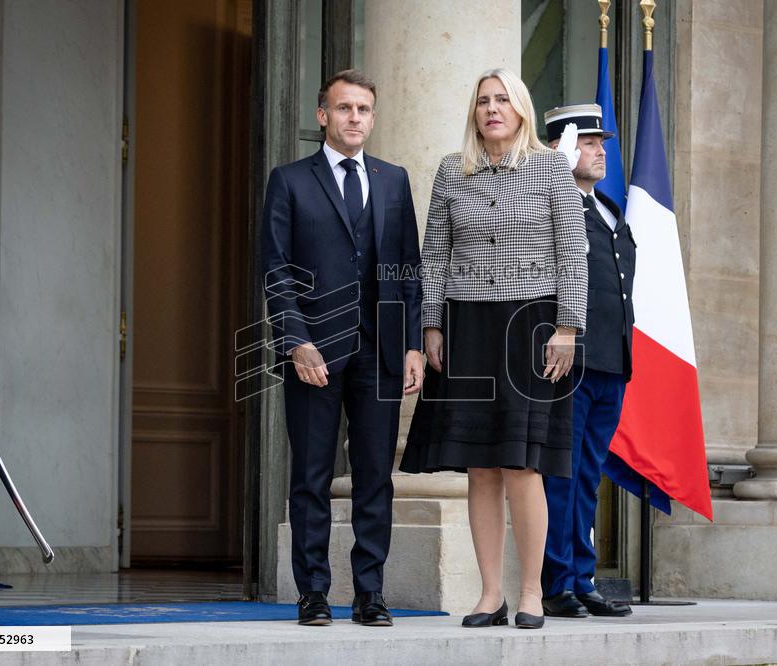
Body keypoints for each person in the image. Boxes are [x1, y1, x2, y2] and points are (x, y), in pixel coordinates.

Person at [400, 68, 587, 630]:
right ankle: (489, 595)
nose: (492, 109)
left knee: (522, 464)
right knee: (480, 467)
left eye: (503, 99)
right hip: (467, 326)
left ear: (522, 110)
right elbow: (433, 256)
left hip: (532, 325)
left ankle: (529, 593)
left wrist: (569, 328)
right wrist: (431, 325)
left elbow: (573, 254)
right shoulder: (451, 173)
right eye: (483, 101)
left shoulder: (553, 167)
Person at [261, 69, 424, 627]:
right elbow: (276, 271)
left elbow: (408, 271)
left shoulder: (393, 180)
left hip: (379, 352)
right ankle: (312, 593)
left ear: (373, 119)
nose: (355, 118)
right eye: (345, 108)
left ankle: (369, 594)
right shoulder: (289, 181)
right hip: (313, 352)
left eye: (364, 110)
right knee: (310, 475)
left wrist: (410, 346)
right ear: (322, 115)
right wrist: (296, 341)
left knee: (376, 475)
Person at [540, 104, 635, 618]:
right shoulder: (556, 209)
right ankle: (557, 582)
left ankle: (583, 575)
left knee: (586, 475)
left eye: (602, 143)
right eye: (590, 141)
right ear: (563, 147)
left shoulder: (609, 211)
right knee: (561, 473)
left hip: (610, 364)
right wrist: (555, 167)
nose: (601, 151)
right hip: (569, 364)